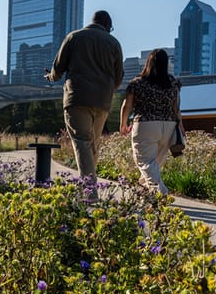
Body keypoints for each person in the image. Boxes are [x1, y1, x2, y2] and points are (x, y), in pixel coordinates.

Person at [46, 10, 124, 192]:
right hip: (103, 101)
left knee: (82, 142)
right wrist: (105, 89)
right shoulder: (114, 43)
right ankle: (89, 184)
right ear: (107, 26)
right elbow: (118, 77)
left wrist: (50, 77)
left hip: (77, 98)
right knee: (92, 144)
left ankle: (89, 192)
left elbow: (57, 70)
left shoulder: (74, 37)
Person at [119, 48, 183, 196]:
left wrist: (123, 123)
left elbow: (127, 105)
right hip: (168, 125)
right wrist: (180, 125)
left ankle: (161, 192)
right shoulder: (173, 83)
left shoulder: (137, 83)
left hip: (145, 124)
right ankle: (145, 191)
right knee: (155, 164)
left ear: (149, 63)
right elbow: (176, 108)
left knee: (145, 161)